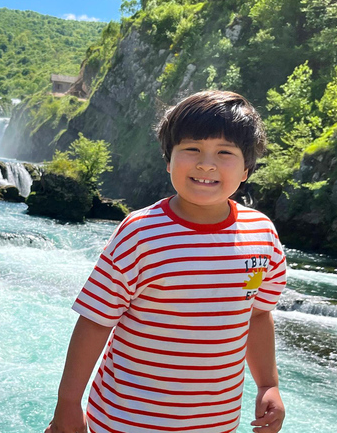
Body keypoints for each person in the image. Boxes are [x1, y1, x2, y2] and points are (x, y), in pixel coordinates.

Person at [45, 91, 287, 433]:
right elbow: (95, 321)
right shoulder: (140, 233)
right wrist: (68, 404)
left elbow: (258, 313)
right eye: (192, 149)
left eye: (225, 153)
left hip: (216, 423)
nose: (206, 163)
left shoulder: (262, 234)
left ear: (247, 168)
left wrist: (268, 385)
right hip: (124, 420)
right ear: (168, 159)